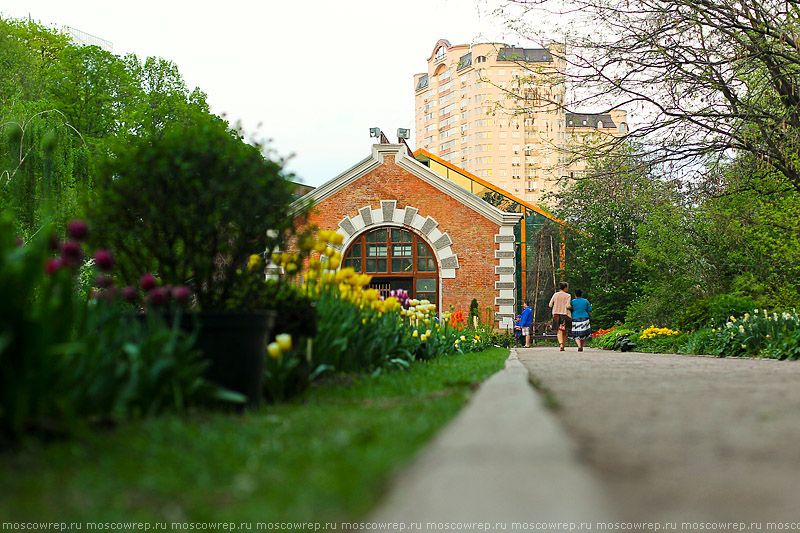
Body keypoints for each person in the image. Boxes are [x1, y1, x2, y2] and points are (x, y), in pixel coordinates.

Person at [548, 281, 572, 351]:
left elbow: (550, 304)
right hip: (564, 315)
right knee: (564, 331)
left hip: (556, 314)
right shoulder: (568, 296)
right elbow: (567, 306)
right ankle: (563, 345)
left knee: (559, 330)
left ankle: (561, 344)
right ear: (565, 288)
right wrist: (571, 307)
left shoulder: (555, 294)